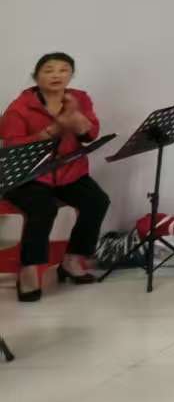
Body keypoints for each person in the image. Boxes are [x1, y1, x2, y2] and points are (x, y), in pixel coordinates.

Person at [1, 53, 109, 301]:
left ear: (71, 75)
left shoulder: (80, 98)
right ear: (36, 76)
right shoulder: (19, 107)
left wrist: (77, 120)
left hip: (69, 172)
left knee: (97, 201)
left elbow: (90, 134)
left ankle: (72, 260)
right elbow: (12, 148)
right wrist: (53, 130)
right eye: (49, 70)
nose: (56, 75)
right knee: (43, 208)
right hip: (28, 176)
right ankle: (28, 270)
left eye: (63, 70)